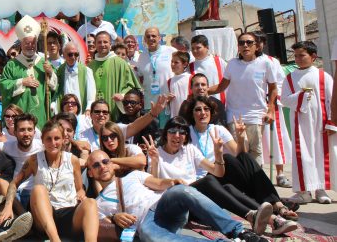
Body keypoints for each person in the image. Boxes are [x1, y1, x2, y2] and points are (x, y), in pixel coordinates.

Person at [147, 116, 297, 235]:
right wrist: (154, 162)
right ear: (165, 133)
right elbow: (152, 184)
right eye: (172, 131)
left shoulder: (189, 150)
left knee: (228, 187)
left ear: (186, 136)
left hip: (196, 202)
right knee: (207, 181)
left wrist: (218, 154)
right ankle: (254, 215)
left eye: (182, 132)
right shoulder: (156, 153)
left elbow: (218, 172)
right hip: (174, 204)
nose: (177, 136)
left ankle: (271, 219)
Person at [88, 150, 265, 242]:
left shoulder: (133, 176)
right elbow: (99, 227)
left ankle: (240, 232)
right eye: (96, 165)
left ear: (113, 164)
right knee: (149, 236)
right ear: (90, 173)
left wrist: (172, 182)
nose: (102, 167)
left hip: (161, 205)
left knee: (180, 190)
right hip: (145, 224)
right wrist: (114, 217)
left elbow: (158, 183)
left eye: (105, 161)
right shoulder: (96, 203)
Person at [0, 120, 99, 242]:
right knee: (38, 189)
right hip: (44, 215)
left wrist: (81, 194)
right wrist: (8, 206)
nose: (53, 143)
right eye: (48, 139)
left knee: (91, 203)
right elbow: (14, 183)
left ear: (63, 139)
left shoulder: (72, 160)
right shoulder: (34, 160)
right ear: (42, 140)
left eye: (57, 138)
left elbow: (79, 189)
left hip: (68, 211)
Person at [209, 32, 276, 165]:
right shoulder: (232, 64)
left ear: (257, 46)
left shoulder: (266, 63)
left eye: (249, 42)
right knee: (239, 150)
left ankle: (256, 176)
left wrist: (271, 110)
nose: (245, 45)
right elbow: (222, 86)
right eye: (241, 43)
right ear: (238, 47)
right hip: (235, 115)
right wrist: (204, 90)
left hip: (257, 115)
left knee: (255, 151)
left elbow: (273, 88)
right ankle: (242, 177)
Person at [281, 41, 336, 204]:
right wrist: (301, 96)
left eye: (302, 55)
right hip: (300, 123)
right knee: (302, 155)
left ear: (313, 56)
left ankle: (321, 190)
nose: (298, 59)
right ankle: (303, 192)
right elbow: (284, 99)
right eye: (296, 56)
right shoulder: (290, 78)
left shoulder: (323, 76)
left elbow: (332, 99)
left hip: (321, 122)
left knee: (321, 154)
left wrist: (332, 122)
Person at [0, 15, 57, 129]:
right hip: (19, 111)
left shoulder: (44, 63)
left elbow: (56, 88)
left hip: (41, 114)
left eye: (33, 43)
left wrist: (51, 73)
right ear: (21, 44)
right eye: (27, 43)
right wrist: (22, 82)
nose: (30, 46)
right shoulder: (12, 65)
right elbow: (3, 85)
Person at [253, 31, 292, 188]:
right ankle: (258, 173)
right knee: (257, 142)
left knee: (276, 138)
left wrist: (272, 100)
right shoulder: (243, 62)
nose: (257, 45)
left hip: (270, 105)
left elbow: (280, 83)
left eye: (259, 42)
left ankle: (280, 173)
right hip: (253, 108)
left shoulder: (272, 61)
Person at [80, 98, 166, 152]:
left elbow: (135, 126)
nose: (101, 114)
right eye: (97, 112)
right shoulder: (83, 135)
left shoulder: (117, 128)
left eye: (105, 112)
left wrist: (152, 114)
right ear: (91, 114)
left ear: (109, 115)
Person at [87, 31, 140, 120]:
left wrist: (122, 94)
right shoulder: (90, 66)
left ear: (110, 44)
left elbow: (131, 86)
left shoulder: (120, 63)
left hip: (114, 110)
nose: (102, 44)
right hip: (95, 113)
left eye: (105, 42)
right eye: (99, 42)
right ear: (95, 44)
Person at [136, 27, 178, 127]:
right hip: (149, 105)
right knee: (152, 133)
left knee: (167, 132)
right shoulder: (141, 57)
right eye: (148, 36)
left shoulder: (171, 51)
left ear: (159, 38)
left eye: (153, 36)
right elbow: (140, 77)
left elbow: (183, 67)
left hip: (168, 103)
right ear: (145, 40)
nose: (151, 38)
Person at [55, 42, 96, 115]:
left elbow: (91, 93)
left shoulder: (86, 71)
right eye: (70, 54)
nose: (73, 57)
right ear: (64, 55)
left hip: (81, 112)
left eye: (76, 54)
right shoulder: (59, 70)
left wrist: (88, 108)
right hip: (65, 112)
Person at [189, 35, 227, 106]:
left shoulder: (218, 61)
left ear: (207, 47)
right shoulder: (190, 67)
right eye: (193, 48)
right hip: (200, 106)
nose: (195, 51)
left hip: (219, 104)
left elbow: (229, 78)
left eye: (198, 48)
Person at [161, 51, 192, 119]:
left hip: (188, 116)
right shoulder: (169, 81)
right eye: (172, 62)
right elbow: (167, 103)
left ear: (185, 64)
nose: (172, 64)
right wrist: (168, 100)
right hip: (175, 117)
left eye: (176, 62)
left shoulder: (191, 78)